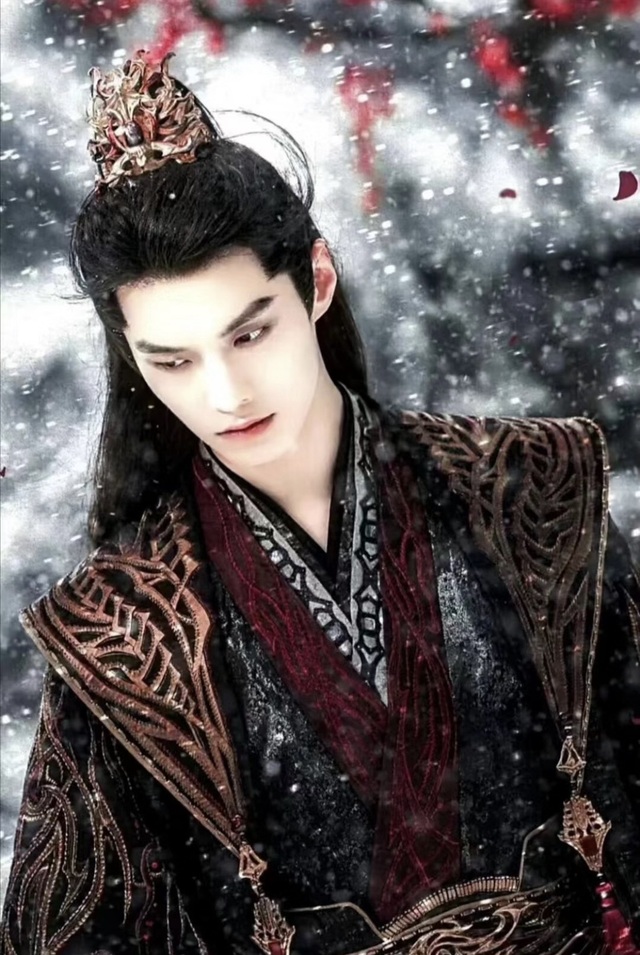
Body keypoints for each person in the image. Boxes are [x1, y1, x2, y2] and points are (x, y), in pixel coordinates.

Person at [1, 49, 639, 955]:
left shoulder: (535, 485)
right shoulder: (115, 628)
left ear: (319, 280)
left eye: (250, 333)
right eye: (172, 360)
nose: (225, 393)